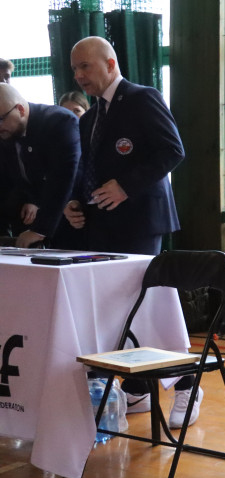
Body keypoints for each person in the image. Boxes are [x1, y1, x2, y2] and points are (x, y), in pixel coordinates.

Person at [61, 37, 198, 428]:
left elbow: (173, 150)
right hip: (101, 226)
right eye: (74, 69)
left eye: (85, 66)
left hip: (139, 223)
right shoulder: (88, 119)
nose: (79, 75)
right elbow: (82, 172)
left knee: (145, 306)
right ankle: (136, 388)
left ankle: (188, 385)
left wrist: (125, 185)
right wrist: (74, 204)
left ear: (110, 62)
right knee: (111, 312)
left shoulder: (142, 98)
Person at [0, 83, 80, 248]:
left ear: (20, 110)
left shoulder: (59, 122)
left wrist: (40, 230)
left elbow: (62, 179)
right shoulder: (6, 134)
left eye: (0, 119)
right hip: (30, 223)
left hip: (74, 219)